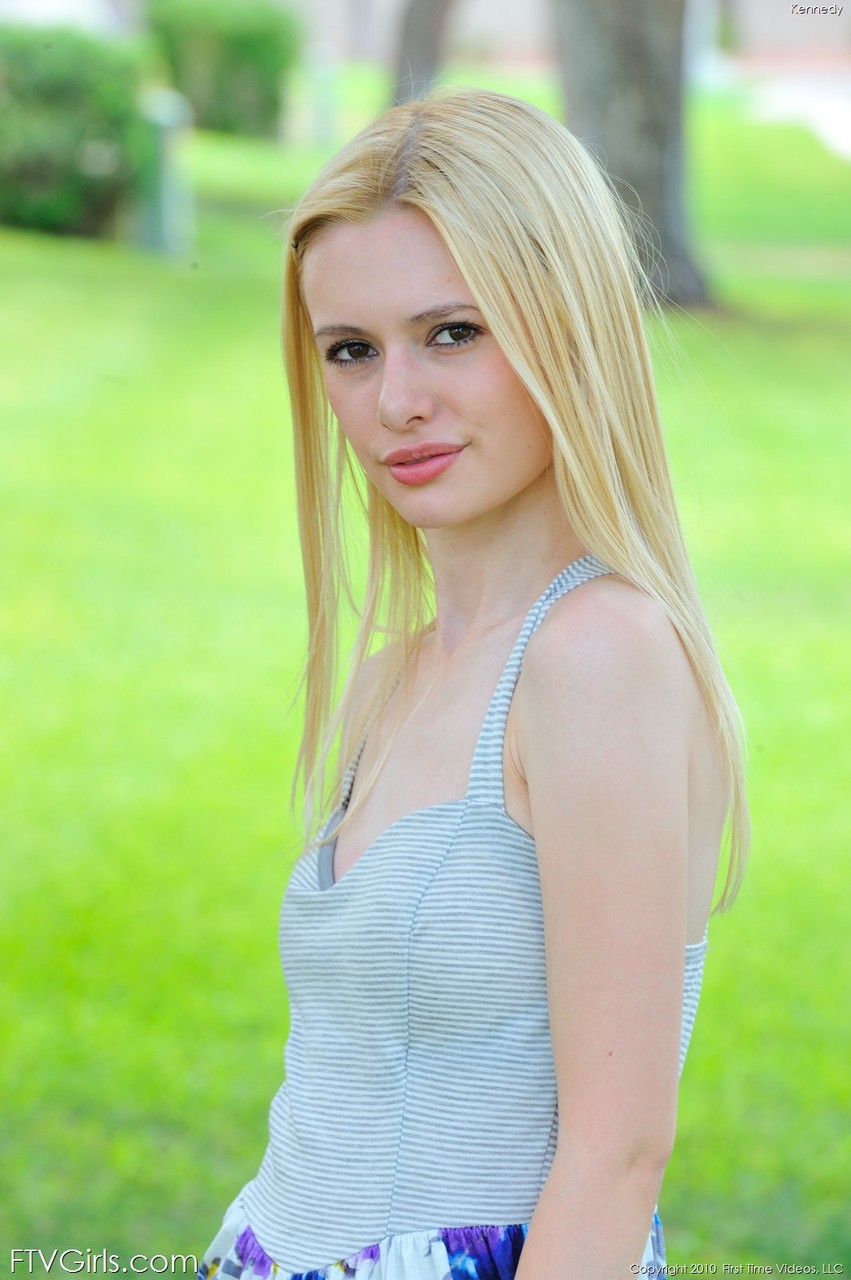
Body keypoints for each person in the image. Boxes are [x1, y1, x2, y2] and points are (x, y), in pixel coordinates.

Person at [197, 88, 749, 1280]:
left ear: (565, 327)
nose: (395, 401)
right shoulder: (392, 677)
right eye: (350, 350)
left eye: (451, 332)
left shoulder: (596, 658)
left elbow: (614, 1155)